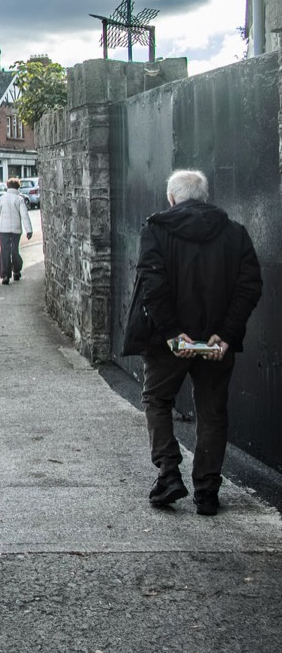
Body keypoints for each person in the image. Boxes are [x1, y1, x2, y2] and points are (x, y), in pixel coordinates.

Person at [120, 169, 262, 516]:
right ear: (204, 197)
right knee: (212, 412)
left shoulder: (156, 229)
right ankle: (207, 492)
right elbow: (249, 286)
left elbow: (152, 284)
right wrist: (225, 334)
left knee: (156, 399)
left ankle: (169, 474)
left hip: (168, 342)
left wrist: (170, 332)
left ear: (172, 198)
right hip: (215, 342)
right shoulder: (235, 233)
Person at [0, 177, 33, 284]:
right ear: (18, 187)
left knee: (4, 251)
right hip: (16, 230)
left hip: (3, 230)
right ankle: (16, 270)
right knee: (15, 250)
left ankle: (5, 275)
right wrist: (29, 230)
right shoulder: (19, 199)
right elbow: (24, 216)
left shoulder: (2, 199)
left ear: (8, 187)